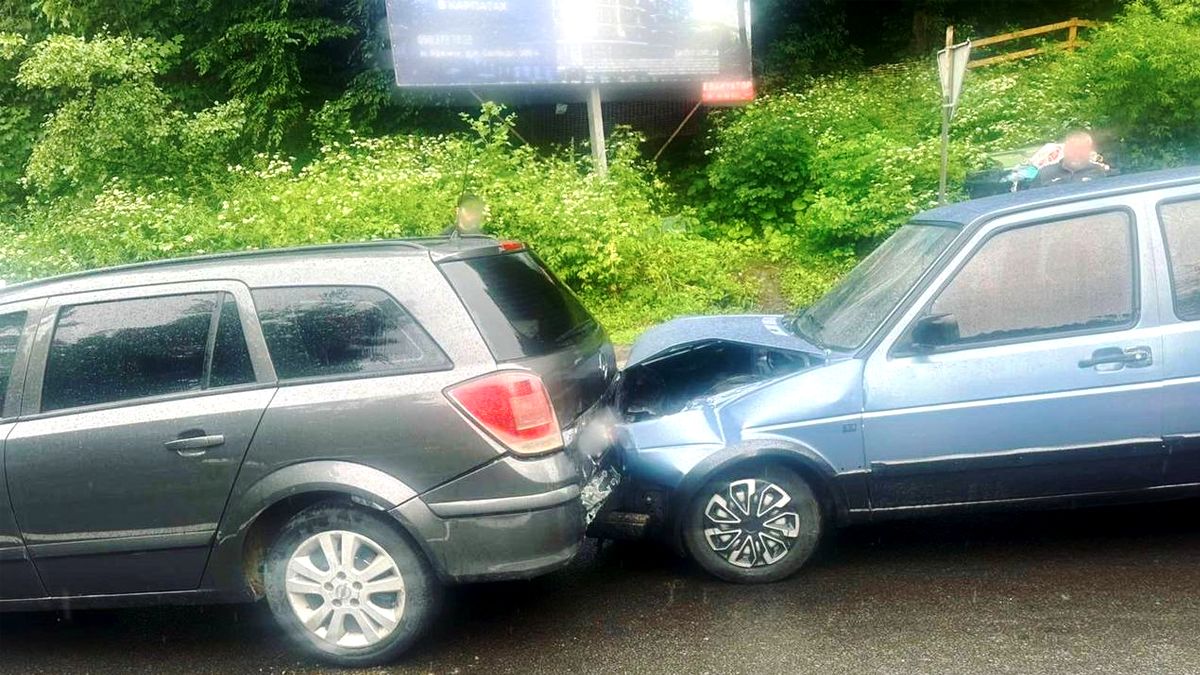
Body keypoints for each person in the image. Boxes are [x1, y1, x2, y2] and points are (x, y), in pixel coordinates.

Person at [1033, 132, 1111, 187]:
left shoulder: (1099, 172)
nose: (1076, 153)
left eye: (1081, 149)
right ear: (1065, 149)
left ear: (1089, 151)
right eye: (1072, 149)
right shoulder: (1045, 173)